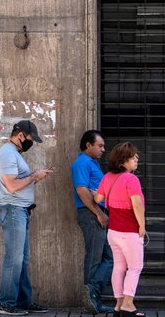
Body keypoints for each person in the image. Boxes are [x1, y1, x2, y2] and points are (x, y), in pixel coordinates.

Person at [0, 120, 53, 316]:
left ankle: (23, 301)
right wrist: (35, 176)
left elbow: (18, 182)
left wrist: (36, 176)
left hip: (20, 210)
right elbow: (11, 185)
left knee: (22, 259)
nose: (31, 143)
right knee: (14, 258)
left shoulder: (14, 154)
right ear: (20, 135)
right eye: (30, 139)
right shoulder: (7, 154)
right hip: (13, 210)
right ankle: (6, 303)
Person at [94, 142, 145, 317]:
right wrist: (142, 227)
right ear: (124, 161)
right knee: (135, 267)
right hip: (129, 231)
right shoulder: (131, 179)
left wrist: (93, 191)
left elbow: (99, 197)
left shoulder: (107, 177)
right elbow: (137, 205)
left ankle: (119, 305)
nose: (136, 159)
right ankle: (129, 304)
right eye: (133, 157)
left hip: (113, 232)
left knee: (119, 267)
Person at [70, 130, 114, 314]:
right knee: (95, 257)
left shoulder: (92, 163)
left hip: (97, 213)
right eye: (100, 145)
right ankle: (91, 297)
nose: (103, 149)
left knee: (109, 258)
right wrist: (99, 213)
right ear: (88, 145)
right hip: (91, 214)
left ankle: (92, 293)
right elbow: (82, 190)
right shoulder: (81, 163)